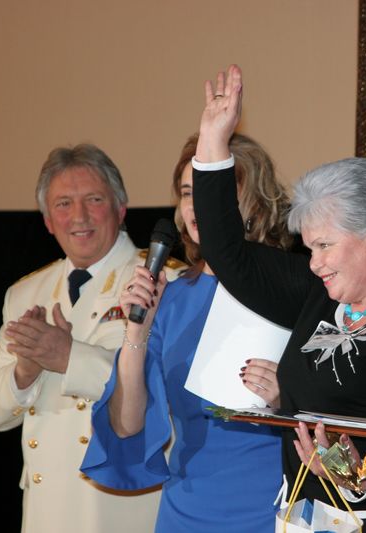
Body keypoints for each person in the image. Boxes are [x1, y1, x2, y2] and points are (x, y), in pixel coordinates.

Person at [191, 65, 366, 532]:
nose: (315, 263)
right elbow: (227, 255)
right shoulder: (318, 298)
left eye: (325, 245)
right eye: (309, 249)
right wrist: (213, 143)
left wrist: (347, 469)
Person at [79, 132, 293, 532]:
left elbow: (343, 407)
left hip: (271, 511)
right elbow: (126, 426)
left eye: (211, 190)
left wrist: (290, 396)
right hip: (185, 514)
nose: (196, 205)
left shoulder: (292, 289)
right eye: (187, 192)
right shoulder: (173, 298)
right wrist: (137, 332)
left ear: (253, 202)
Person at [0, 144, 176, 533]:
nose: (79, 216)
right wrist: (26, 370)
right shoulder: (25, 293)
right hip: (46, 512)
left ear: (121, 208)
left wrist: (69, 357)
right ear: (48, 221)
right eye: (63, 204)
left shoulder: (164, 281)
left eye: (94, 199)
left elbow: (164, 392)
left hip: (122, 507)